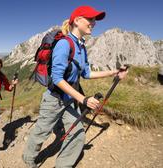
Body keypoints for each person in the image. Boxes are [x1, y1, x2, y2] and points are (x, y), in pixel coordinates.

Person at [22, 6, 128, 168]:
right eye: (91, 19)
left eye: (95, 20)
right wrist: (83, 99)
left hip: (70, 100)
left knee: (77, 134)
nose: (94, 23)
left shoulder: (81, 46)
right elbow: (57, 78)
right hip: (54, 99)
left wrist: (114, 72)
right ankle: (29, 160)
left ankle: (63, 165)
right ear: (77, 20)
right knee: (41, 132)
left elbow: (86, 73)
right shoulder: (65, 44)